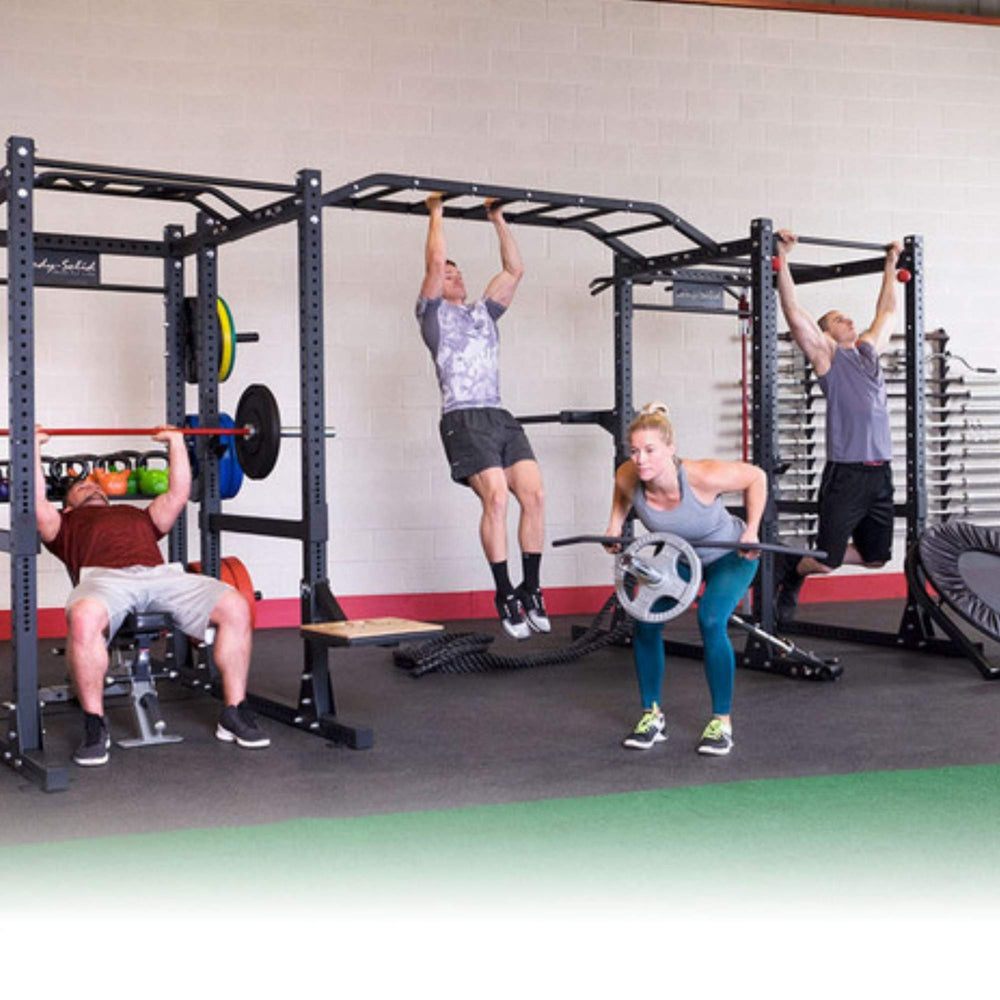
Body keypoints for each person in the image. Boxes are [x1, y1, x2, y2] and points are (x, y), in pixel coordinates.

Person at [35, 427, 269, 766]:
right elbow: (38, 502)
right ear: (68, 507)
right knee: (84, 616)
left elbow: (178, 493)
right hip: (103, 579)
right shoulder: (65, 525)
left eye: (95, 485)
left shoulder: (138, 514)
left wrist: (175, 442)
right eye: (81, 487)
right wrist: (32, 446)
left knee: (234, 604)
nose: (92, 487)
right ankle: (95, 724)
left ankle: (234, 712)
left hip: (161, 576)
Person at [416, 193, 548, 640]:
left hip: (499, 414)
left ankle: (531, 589)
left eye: (457, 272)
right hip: (463, 417)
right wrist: (437, 212)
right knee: (496, 498)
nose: (452, 276)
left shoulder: (485, 313)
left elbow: (515, 270)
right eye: (446, 273)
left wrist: (498, 218)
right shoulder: (432, 316)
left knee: (534, 495)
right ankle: (504, 592)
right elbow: (433, 266)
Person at [604, 404, 766, 756]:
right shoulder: (629, 475)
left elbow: (757, 477)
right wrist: (615, 525)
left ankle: (721, 723)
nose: (641, 459)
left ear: (671, 450)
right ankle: (652, 715)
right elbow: (621, 492)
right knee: (645, 621)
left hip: (729, 557)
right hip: (676, 559)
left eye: (650, 450)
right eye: (634, 451)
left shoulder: (701, 476)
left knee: (711, 620)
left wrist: (752, 530)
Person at [772, 231, 902, 623]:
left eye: (847, 315)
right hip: (846, 474)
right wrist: (783, 258)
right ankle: (792, 571)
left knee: (877, 558)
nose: (847, 318)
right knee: (827, 563)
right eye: (837, 318)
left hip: (881, 474)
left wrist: (891, 263)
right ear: (826, 332)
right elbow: (796, 315)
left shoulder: (867, 351)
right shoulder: (827, 357)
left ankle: (795, 558)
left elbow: (888, 312)